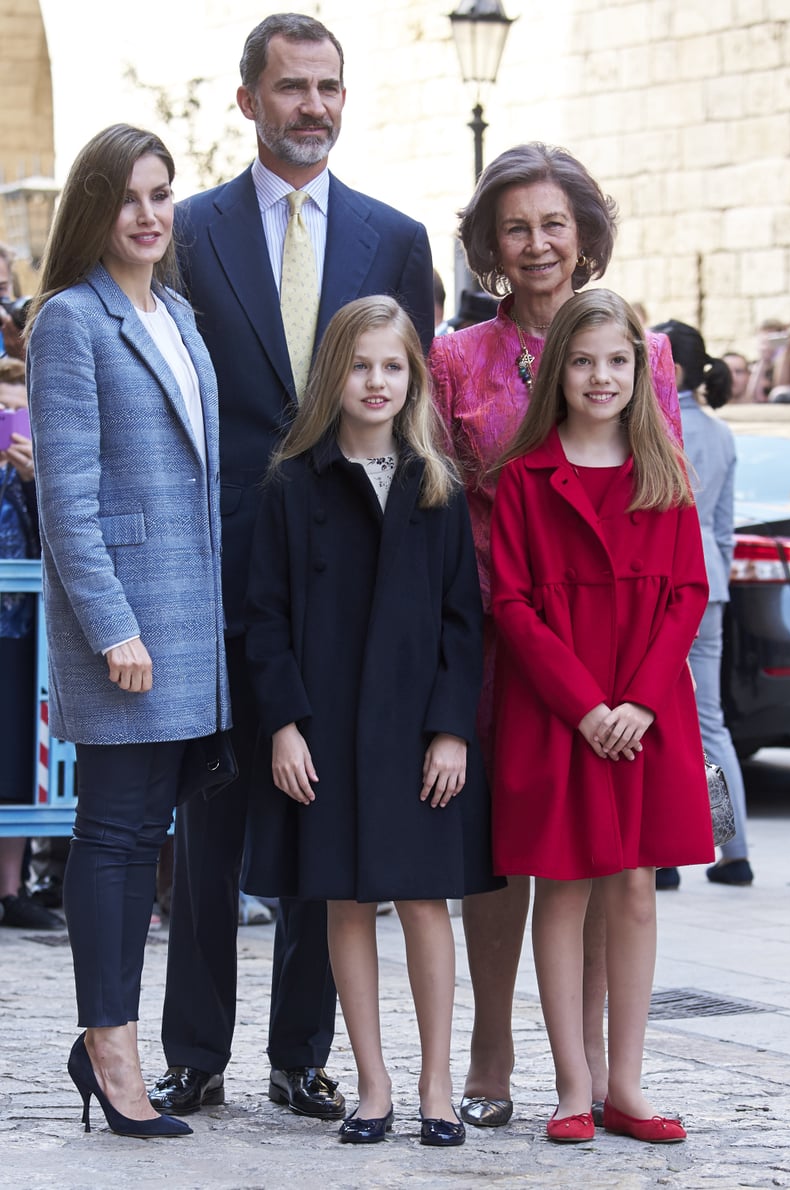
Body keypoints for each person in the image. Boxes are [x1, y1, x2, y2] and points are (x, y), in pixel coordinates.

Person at [149, 13, 434, 1120]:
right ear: (248, 100)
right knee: (210, 823)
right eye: (291, 87)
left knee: (333, 816)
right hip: (219, 571)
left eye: (329, 87)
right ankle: (196, 1052)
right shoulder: (189, 231)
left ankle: (304, 1053)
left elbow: (402, 414)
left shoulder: (395, 238)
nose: (312, 105)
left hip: (347, 583)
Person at [427, 142, 681, 1127]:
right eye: (516, 226)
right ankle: (492, 1051)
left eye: (554, 224)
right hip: (497, 630)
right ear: (491, 242)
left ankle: (593, 1074)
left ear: (585, 234)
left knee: (600, 857)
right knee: (502, 854)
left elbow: (654, 494)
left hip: (606, 641)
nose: (536, 244)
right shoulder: (457, 358)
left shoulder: (637, 349)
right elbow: (440, 504)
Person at [243, 294, 498, 1146]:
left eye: (393, 366)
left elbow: (465, 621)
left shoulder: (438, 489)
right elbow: (266, 617)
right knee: (345, 905)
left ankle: (434, 1084)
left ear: (414, 378)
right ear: (333, 376)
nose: (376, 381)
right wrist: (284, 723)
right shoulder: (292, 485)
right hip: (326, 735)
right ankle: (373, 1084)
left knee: (425, 902)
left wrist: (453, 729)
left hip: (422, 739)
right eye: (359, 365)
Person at [26, 123, 230, 1138]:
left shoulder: (180, 316)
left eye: (162, 194)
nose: (149, 214)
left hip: (196, 627)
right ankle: (110, 1046)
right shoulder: (71, 319)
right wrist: (113, 626)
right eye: (127, 196)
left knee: (151, 831)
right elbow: (69, 499)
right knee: (112, 838)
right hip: (131, 631)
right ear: (95, 207)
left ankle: (111, 1038)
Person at [491, 289, 712, 1143]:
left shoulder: (664, 473)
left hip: (646, 716)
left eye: (617, 360)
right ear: (558, 370)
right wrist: (586, 706)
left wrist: (639, 704)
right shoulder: (524, 479)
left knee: (635, 890)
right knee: (563, 887)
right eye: (583, 360)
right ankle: (572, 1087)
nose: (600, 376)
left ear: (641, 371)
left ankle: (628, 1083)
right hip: (560, 713)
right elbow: (511, 604)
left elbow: (687, 595)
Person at [651, 320, 753, 888]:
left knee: (660, 714)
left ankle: (665, 854)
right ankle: (732, 850)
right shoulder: (721, 433)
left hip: (668, 586)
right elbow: (722, 529)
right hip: (712, 584)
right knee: (710, 722)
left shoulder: (657, 428)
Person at [0, 357, 63, 930]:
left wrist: (28, 478)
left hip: (21, 629)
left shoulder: (38, 466)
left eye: (22, 409)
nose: (13, 418)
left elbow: (54, 532)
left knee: (19, 754)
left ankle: (11, 887)